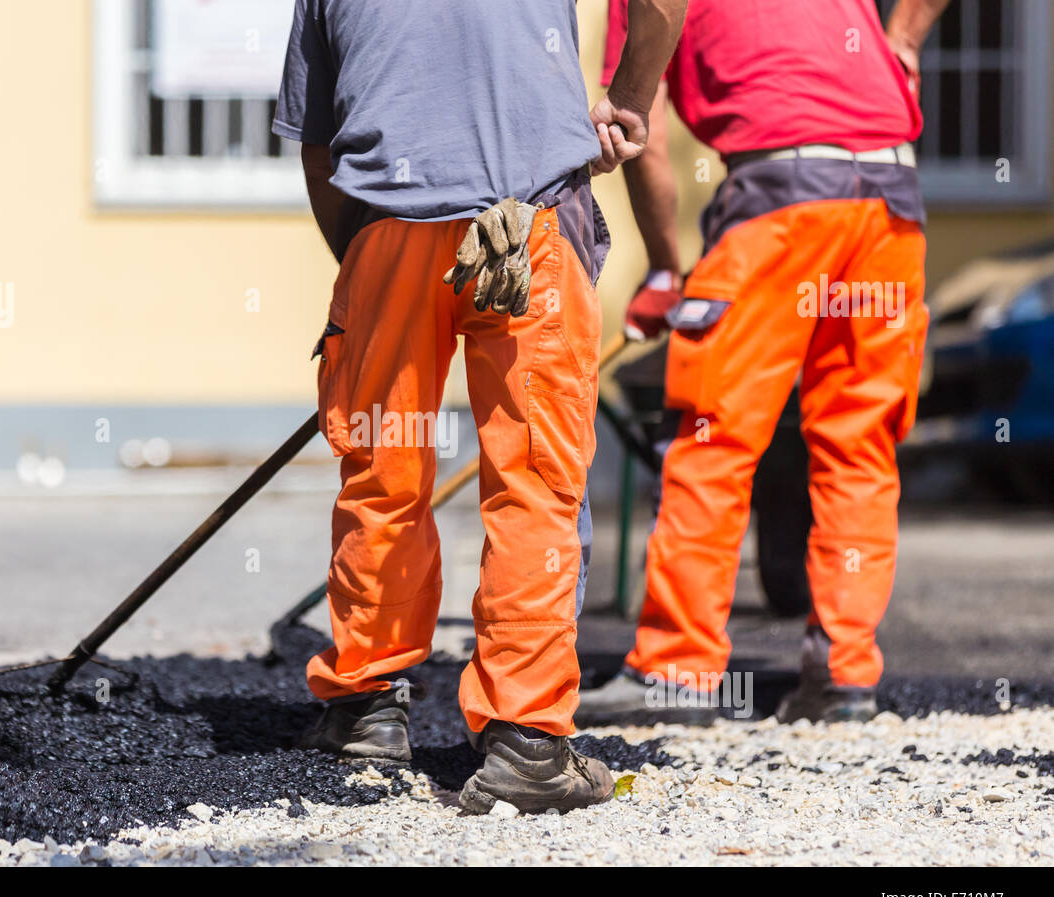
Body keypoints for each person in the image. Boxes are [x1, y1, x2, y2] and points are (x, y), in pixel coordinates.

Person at [273, 0, 687, 812]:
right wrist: (630, 98)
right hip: (530, 220)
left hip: (388, 222)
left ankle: (365, 707)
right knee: (534, 479)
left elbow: (318, 149)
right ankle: (526, 742)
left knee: (383, 469)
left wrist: (366, 274)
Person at [579, 0, 952, 725]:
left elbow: (638, 129)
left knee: (713, 436)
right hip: (892, 196)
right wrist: (902, 38)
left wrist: (663, 268)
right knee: (860, 443)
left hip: (782, 198)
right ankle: (844, 674)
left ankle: (675, 672)